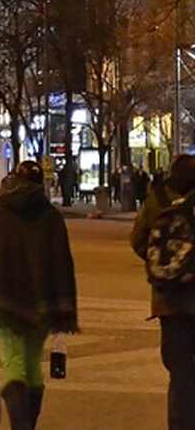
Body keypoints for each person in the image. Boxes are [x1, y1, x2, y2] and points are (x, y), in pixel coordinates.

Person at [0, 161, 77, 430]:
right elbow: (63, 263)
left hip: (4, 300)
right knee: (32, 362)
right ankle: (28, 424)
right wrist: (66, 308)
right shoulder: (51, 216)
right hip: (42, 302)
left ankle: (21, 424)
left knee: (14, 361)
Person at [132, 154, 195, 429]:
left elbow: (137, 239)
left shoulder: (156, 198)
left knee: (179, 372)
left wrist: (163, 264)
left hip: (168, 301)